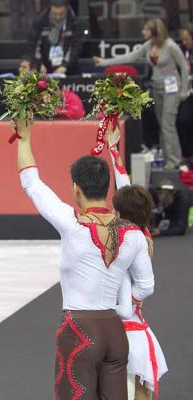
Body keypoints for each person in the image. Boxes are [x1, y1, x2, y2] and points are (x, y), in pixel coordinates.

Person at [15, 118, 155, 399]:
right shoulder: (133, 234)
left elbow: (32, 182)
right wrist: (122, 303)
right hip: (116, 332)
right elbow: (146, 286)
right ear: (105, 189)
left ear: (76, 188)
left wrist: (24, 137)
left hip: (79, 330)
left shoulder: (72, 224)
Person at [106, 127, 169, 400]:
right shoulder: (134, 229)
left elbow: (146, 286)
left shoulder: (134, 238)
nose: (111, 209)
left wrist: (125, 304)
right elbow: (125, 187)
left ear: (122, 212)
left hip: (127, 324)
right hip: (122, 322)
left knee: (136, 388)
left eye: (115, 207)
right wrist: (113, 149)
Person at [94, 18, 189, 169]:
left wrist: (184, 89)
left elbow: (184, 66)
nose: (143, 32)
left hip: (172, 90)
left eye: (146, 29)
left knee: (167, 125)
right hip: (157, 88)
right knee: (161, 124)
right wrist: (104, 62)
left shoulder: (170, 46)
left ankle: (174, 160)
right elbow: (130, 57)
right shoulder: (148, 45)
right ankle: (166, 157)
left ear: (154, 31)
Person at [18, 55, 85, 119]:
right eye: (49, 91)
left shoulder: (72, 97)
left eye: (54, 90)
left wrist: (57, 112)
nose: (51, 93)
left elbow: (77, 113)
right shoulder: (43, 97)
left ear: (60, 91)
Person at [28, 0, 83, 76]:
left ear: (66, 9)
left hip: (69, 70)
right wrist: (39, 64)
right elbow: (33, 44)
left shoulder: (74, 22)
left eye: (61, 14)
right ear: (50, 8)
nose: (58, 17)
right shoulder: (40, 21)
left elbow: (76, 47)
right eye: (55, 14)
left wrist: (65, 65)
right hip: (44, 70)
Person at [177, 24, 193, 169]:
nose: (184, 42)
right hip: (186, 93)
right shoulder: (181, 51)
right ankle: (187, 154)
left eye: (187, 39)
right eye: (183, 40)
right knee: (182, 120)